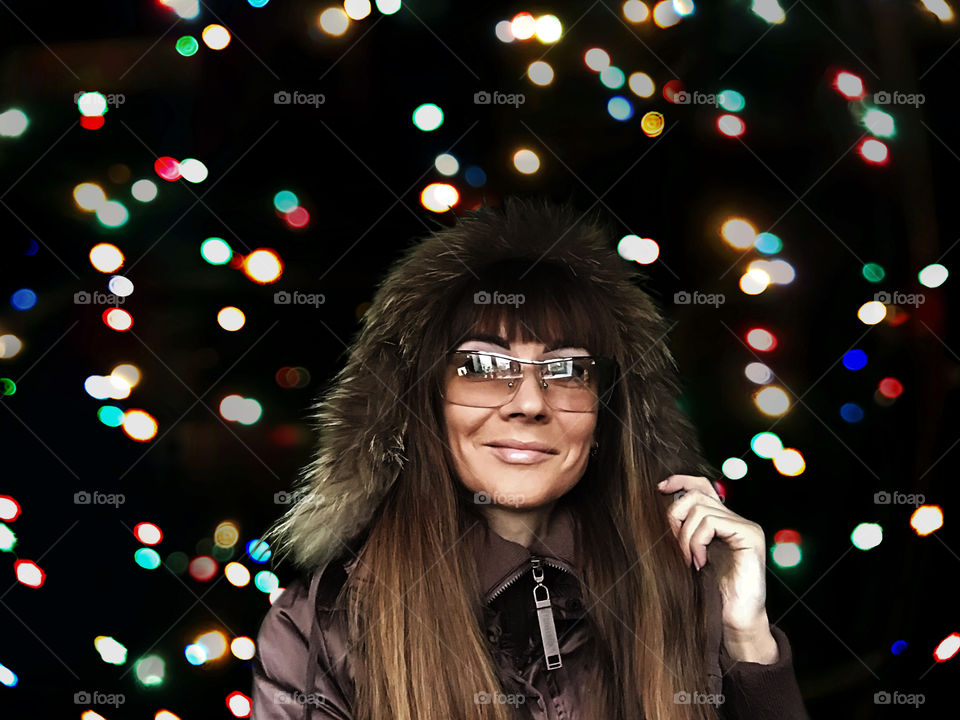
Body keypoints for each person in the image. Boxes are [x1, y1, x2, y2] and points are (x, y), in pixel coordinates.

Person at [251, 197, 810, 719]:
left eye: (567, 370)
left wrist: (747, 642)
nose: (529, 403)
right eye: (483, 367)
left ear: (604, 415)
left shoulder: (686, 595)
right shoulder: (318, 629)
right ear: (422, 400)